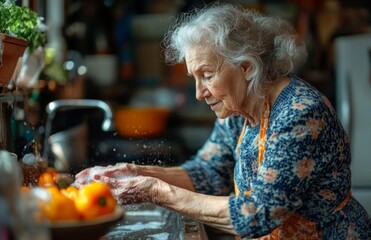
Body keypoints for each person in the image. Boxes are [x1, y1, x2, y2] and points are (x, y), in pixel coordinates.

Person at [75, 3, 371, 239]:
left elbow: (256, 215)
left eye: (207, 75)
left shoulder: (300, 113)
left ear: (245, 67)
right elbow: (207, 172)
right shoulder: (238, 108)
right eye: (194, 78)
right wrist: (131, 172)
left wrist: (154, 190)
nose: (199, 93)